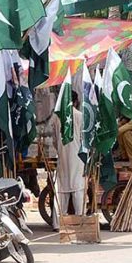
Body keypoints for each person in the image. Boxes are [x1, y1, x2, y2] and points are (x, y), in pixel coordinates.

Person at [49, 91, 85, 230]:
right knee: (78, 189)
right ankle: (80, 220)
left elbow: (54, 141)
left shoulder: (56, 117)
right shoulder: (80, 116)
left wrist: (61, 150)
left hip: (62, 157)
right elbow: (84, 140)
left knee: (61, 190)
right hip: (77, 157)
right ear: (75, 101)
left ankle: (57, 224)